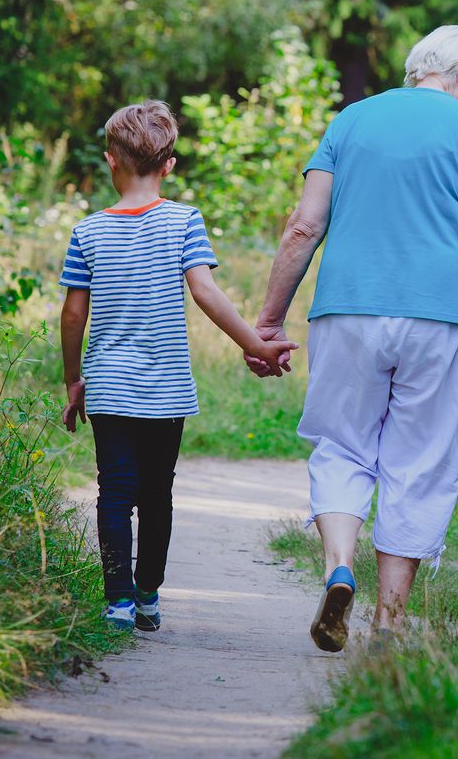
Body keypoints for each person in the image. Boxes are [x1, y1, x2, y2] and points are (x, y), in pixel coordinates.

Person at [246, 25, 458, 653]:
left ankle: (340, 568)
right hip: (446, 316)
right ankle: (388, 625)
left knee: (343, 447)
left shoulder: (351, 121)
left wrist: (268, 320)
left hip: (349, 307)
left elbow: (303, 226)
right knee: (419, 463)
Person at [60, 100, 293, 631]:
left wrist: (75, 379)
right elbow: (206, 292)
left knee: (114, 491)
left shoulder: (87, 232)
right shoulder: (184, 221)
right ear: (169, 165)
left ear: (109, 161)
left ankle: (116, 601)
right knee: (157, 493)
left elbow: (74, 314)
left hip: (111, 389)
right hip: (164, 389)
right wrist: (255, 344)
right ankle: (147, 597)